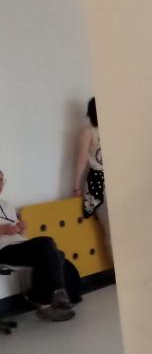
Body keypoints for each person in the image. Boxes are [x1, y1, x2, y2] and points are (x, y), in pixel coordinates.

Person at [0, 170, 76, 322]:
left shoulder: (7, 205)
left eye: (2, 180)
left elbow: (21, 237)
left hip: (18, 245)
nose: (0, 184)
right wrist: (4, 230)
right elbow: (7, 232)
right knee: (47, 243)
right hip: (3, 250)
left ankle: (43, 301)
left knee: (56, 254)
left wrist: (22, 229)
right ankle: (54, 295)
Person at [73, 97, 109, 248]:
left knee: (113, 229)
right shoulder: (90, 132)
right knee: (113, 229)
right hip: (99, 183)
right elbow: (82, 160)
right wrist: (76, 187)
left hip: (103, 182)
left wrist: (76, 188)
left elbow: (81, 161)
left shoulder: (90, 132)